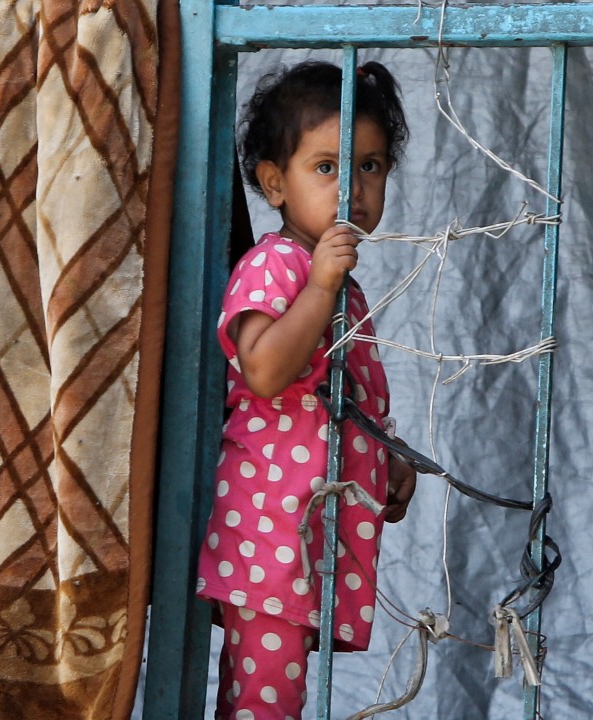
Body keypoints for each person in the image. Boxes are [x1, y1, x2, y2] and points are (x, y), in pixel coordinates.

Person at [195, 60, 419, 720]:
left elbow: (338, 405)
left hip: (307, 543)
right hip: (270, 542)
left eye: (371, 166)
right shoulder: (278, 264)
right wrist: (318, 287)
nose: (353, 186)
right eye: (327, 167)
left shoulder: (341, 286)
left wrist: (389, 462)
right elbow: (264, 372)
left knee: (279, 704)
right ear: (274, 184)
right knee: (265, 707)